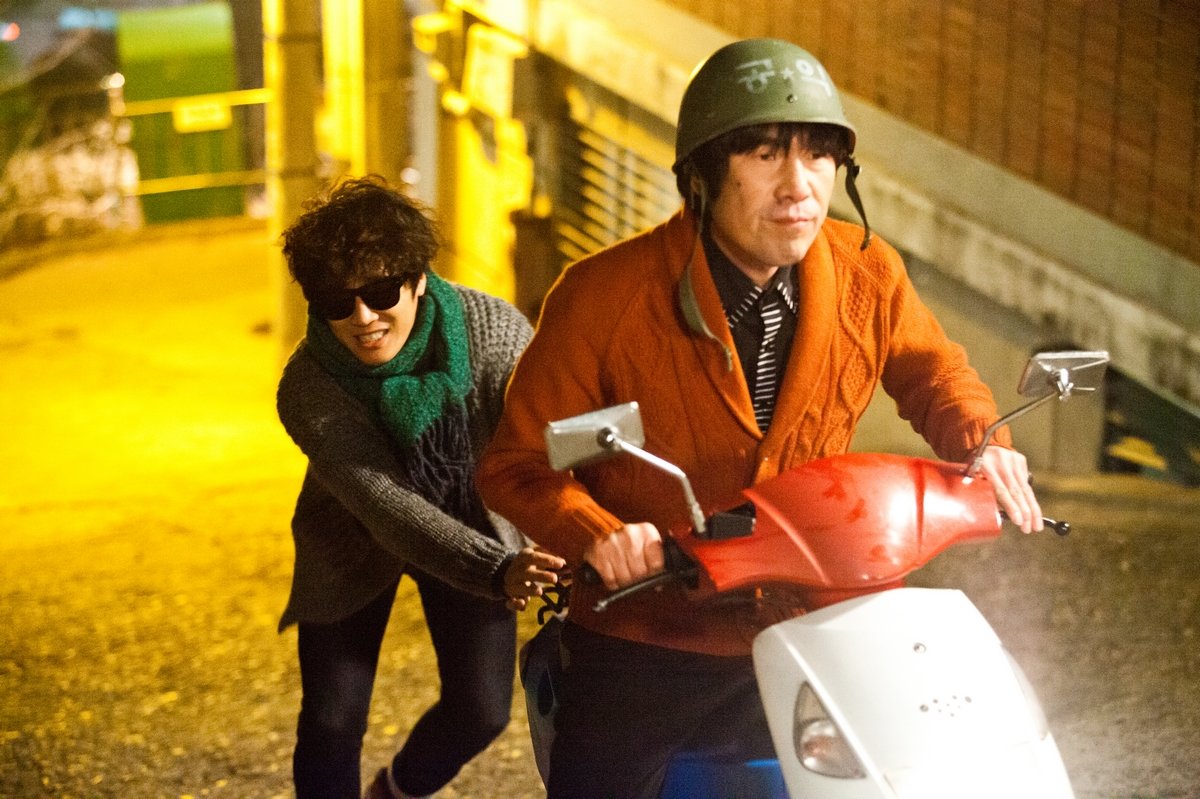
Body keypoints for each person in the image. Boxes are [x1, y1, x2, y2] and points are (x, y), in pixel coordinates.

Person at [476, 38, 1044, 798]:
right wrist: (599, 534)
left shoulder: (869, 272)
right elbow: (517, 466)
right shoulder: (601, 297)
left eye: (819, 155)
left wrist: (983, 439)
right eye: (765, 153)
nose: (798, 185)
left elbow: (934, 372)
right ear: (703, 175)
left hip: (821, 618)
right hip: (652, 633)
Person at [275, 175, 565, 799]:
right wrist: (497, 569)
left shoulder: (491, 335)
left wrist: (565, 530)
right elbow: (385, 505)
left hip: (470, 519)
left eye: (381, 292)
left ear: (418, 280)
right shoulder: (308, 385)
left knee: (482, 710)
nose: (362, 317)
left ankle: (395, 791)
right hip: (351, 537)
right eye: (337, 301)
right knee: (331, 719)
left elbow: (546, 439)